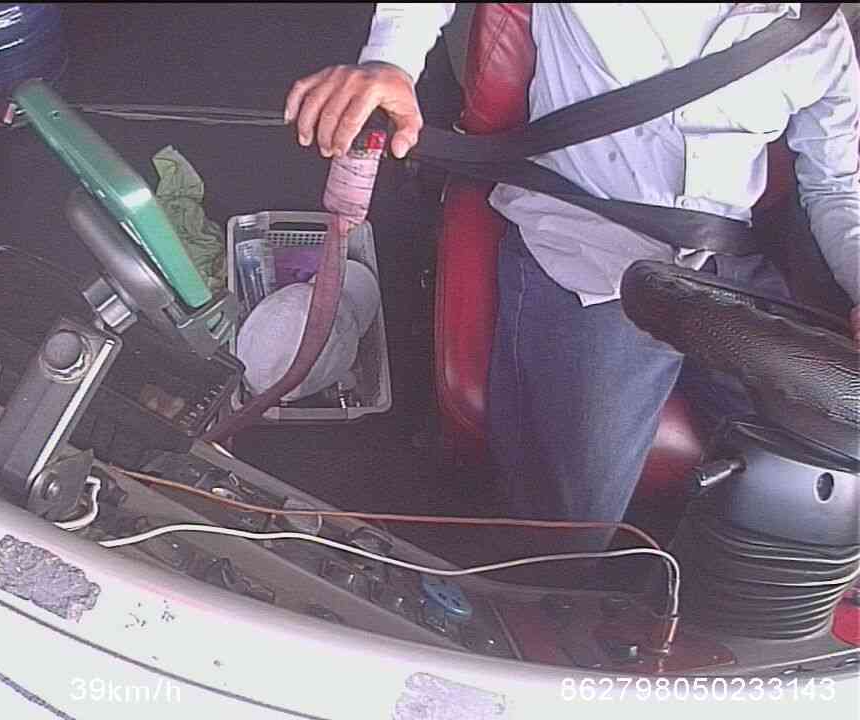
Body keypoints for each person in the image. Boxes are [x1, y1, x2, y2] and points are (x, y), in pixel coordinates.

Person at [285, 4, 860, 528]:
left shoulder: (819, 34)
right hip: (591, 253)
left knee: (831, 478)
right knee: (573, 524)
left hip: (727, 268)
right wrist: (389, 61)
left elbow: (836, 186)